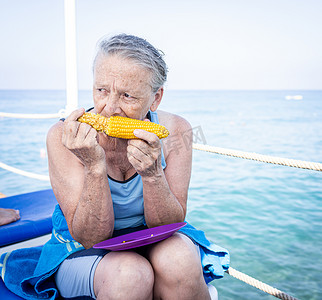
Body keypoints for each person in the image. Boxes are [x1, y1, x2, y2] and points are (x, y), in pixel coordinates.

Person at [0, 33, 229, 300]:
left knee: (179, 258)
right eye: (101, 90)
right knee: (129, 274)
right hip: (82, 250)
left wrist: (153, 174)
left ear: (156, 99)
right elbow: (89, 237)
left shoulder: (177, 131)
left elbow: (170, 224)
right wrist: (94, 167)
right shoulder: (61, 137)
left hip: (152, 238)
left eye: (127, 96)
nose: (109, 108)